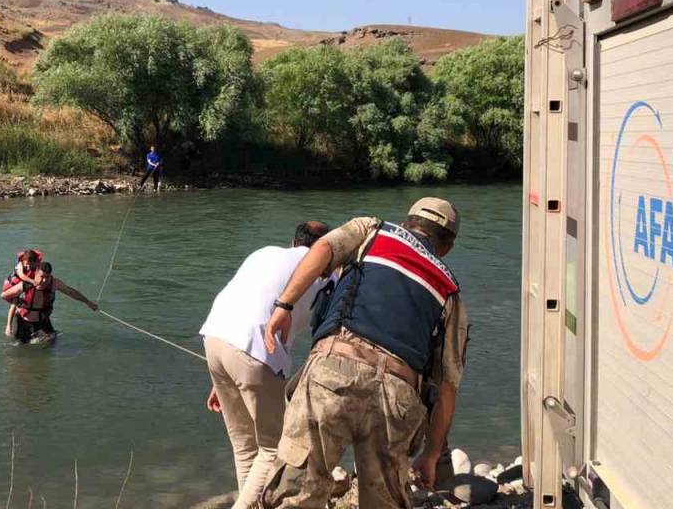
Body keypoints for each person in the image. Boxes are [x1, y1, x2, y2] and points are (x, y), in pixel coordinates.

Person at [260, 198, 470, 509]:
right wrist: (432, 453)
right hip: (398, 397)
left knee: (296, 493)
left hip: (334, 370)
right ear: (447, 247)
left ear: (408, 222)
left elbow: (323, 249)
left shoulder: (372, 230)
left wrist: (285, 305)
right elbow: (448, 388)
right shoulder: (450, 293)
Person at [198, 220, 332, 509]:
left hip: (215, 339)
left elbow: (247, 300)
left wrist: (223, 380)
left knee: (244, 446)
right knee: (274, 447)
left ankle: (251, 503)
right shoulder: (323, 277)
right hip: (255, 349)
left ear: (294, 241)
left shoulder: (264, 253)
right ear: (325, 249)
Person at [1, 260, 98, 344]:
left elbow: (70, 292)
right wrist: (9, 325)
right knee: (22, 350)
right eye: (41, 276)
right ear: (36, 273)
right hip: (24, 322)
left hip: (44, 322)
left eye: (47, 277)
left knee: (51, 344)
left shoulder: (54, 283)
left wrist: (87, 302)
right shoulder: (24, 285)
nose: (44, 280)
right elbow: (4, 296)